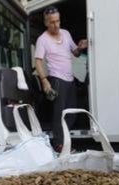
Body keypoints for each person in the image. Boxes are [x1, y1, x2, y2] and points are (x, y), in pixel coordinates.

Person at [34, 6, 88, 152]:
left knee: (72, 114)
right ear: (46, 23)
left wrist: (80, 47)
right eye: (52, 22)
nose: (56, 25)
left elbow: (75, 53)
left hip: (70, 80)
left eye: (58, 21)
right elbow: (38, 61)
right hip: (56, 80)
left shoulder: (65, 33)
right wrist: (45, 81)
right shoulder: (42, 40)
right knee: (58, 114)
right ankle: (59, 145)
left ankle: (63, 141)